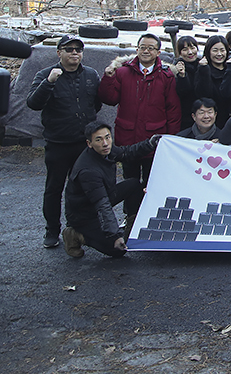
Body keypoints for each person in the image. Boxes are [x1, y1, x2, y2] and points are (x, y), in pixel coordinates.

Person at [27, 35, 101, 249]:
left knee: (82, 188)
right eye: (69, 49)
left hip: (83, 144)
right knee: (54, 188)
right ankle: (52, 230)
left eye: (78, 49)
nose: (74, 53)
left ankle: (77, 228)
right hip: (58, 142)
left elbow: (95, 104)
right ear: (59, 52)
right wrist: (49, 82)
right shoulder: (45, 75)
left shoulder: (90, 75)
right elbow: (33, 103)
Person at [98, 33, 180, 224]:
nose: (146, 51)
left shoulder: (166, 75)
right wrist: (108, 78)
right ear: (137, 49)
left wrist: (171, 139)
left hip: (155, 138)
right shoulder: (122, 72)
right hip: (128, 138)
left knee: (153, 181)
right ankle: (131, 216)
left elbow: (173, 110)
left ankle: (151, 216)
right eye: (142, 47)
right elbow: (109, 99)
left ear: (158, 52)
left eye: (151, 48)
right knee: (130, 180)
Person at [61, 122, 159, 258]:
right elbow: (102, 205)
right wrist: (115, 235)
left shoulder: (106, 150)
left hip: (105, 194)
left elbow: (127, 152)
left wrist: (150, 144)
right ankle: (76, 234)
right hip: (84, 214)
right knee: (118, 250)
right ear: (89, 143)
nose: (105, 143)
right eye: (99, 139)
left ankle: (132, 226)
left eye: (107, 137)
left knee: (134, 184)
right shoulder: (88, 171)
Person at [195, 35, 231, 128]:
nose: (219, 54)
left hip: (229, 119)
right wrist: (204, 69)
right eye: (215, 50)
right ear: (208, 51)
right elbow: (204, 94)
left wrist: (230, 69)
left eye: (222, 50)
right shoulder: (202, 69)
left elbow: (229, 94)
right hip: (209, 120)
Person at [173, 35, 202, 131]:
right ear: (180, 52)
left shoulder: (203, 65)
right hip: (184, 115)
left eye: (192, 48)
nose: (190, 52)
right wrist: (182, 76)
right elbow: (183, 92)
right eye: (185, 49)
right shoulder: (175, 69)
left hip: (203, 113)